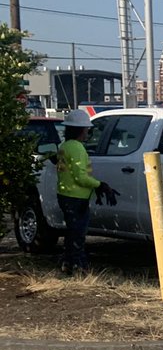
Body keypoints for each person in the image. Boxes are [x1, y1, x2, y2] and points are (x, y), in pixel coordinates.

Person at [55, 109, 111, 275]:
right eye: (86, 129)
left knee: (71, 232)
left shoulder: (64, 146)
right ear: (81, 130)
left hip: (65, 195)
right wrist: (100, 185)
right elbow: (81, 177)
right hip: (77, 197)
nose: (88, 132)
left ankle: (67, 263)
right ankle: (79, 267)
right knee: (78, 234)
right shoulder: (78, 148)